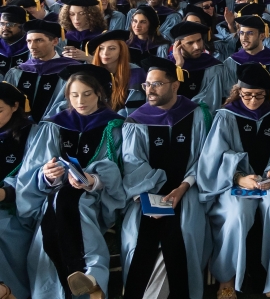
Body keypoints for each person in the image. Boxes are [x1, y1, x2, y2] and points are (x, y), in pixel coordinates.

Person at [15, 67, 126, 299]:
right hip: (54, 197)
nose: (80, 101)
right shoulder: (54, 125)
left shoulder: (115, 127)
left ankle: (84, 278)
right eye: (74, 95)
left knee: (72, 204)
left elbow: (122, 169)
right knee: (59, 205)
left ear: (99, 94)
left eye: (86, 94)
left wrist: (92, 181)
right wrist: (47, 175)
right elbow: (33, 170)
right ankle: (89, 278)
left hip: (96, 197)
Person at [198, 63, 270, 298]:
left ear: (269, 94)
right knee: (238, 214)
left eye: (259, 96)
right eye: (247, 95)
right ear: (238, 91)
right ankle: (226, 277)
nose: (253, 101)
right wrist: (238, 177)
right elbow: (212, 158)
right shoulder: (226, 116)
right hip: (234, 182)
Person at [120, 57, 212, 299]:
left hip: (188, 189)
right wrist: (151, 197)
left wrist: (183, 187)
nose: (150, 90)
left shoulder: (196, 114)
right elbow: (132, 164)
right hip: (145, 193)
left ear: (175, 86)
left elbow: (204, 158)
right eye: (147, 85)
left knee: (187, 233)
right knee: (136, 236)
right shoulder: (136, 121)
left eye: (157, 84)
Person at [4, 20, 83, 122]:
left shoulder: (72, 71)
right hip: (19, 130)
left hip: (54, 128)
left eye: (39, 40)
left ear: (54, 41)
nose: (32, 46)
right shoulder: (18, 71)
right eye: (29, 41)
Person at [0, 83, 37, 299]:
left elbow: (34, 176)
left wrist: (6, 192)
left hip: (17, 209)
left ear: (15, 106)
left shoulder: (33, 134)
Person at [0, 5, 30, 77]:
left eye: (10, 24)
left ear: (22, 26)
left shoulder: (30, 47)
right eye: (2, 24)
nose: (5, 28)